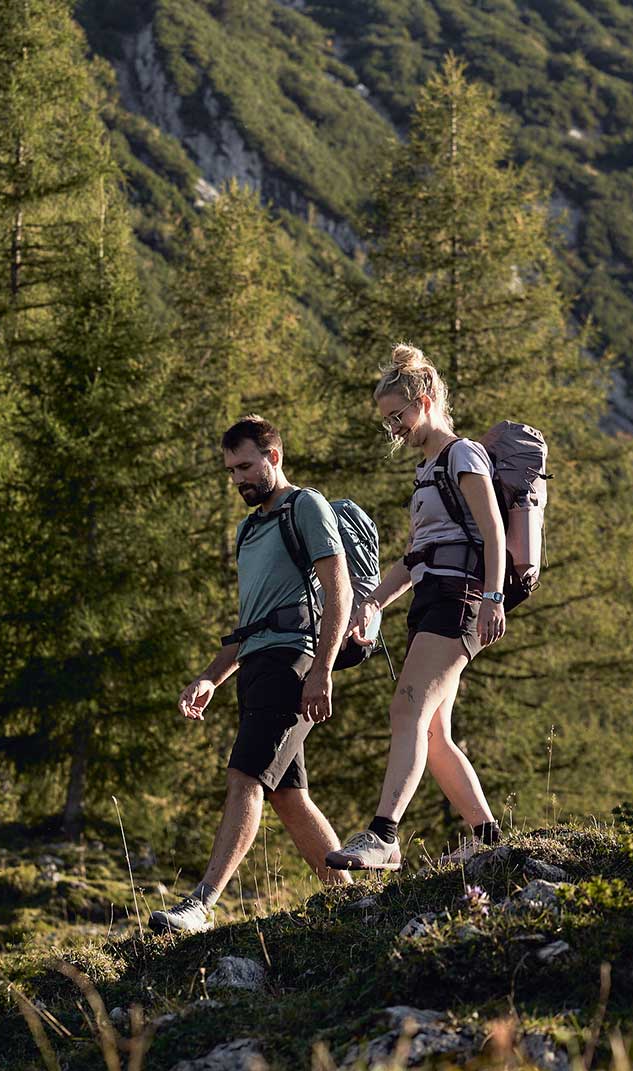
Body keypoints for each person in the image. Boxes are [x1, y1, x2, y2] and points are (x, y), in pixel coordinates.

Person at [149, 415, 353, 934]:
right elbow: (249, 625)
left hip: (294, 662)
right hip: (257, 666)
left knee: (245, 777)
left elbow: (340, 590)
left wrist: (321, 670)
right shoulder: (249, 529)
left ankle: (202, 904)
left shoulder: (305, 506)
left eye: (245, 466)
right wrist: (211, 678)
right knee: (287, 795)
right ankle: (353, 901)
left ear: (274, 457)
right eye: (230, 470)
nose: (237, 478)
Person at [326, 344, 506, 871]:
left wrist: (494, 597)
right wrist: (373, 602)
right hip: (433, 598)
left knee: (406, 709)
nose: (393, 428)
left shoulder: (462, 455)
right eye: (387, 420)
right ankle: (489, 838)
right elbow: (418, 555)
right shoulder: (428, 470)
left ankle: (384, 836)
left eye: (397, 416)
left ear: (424, 402)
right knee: (433, 732)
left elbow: (492, 529)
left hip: (461, 600)